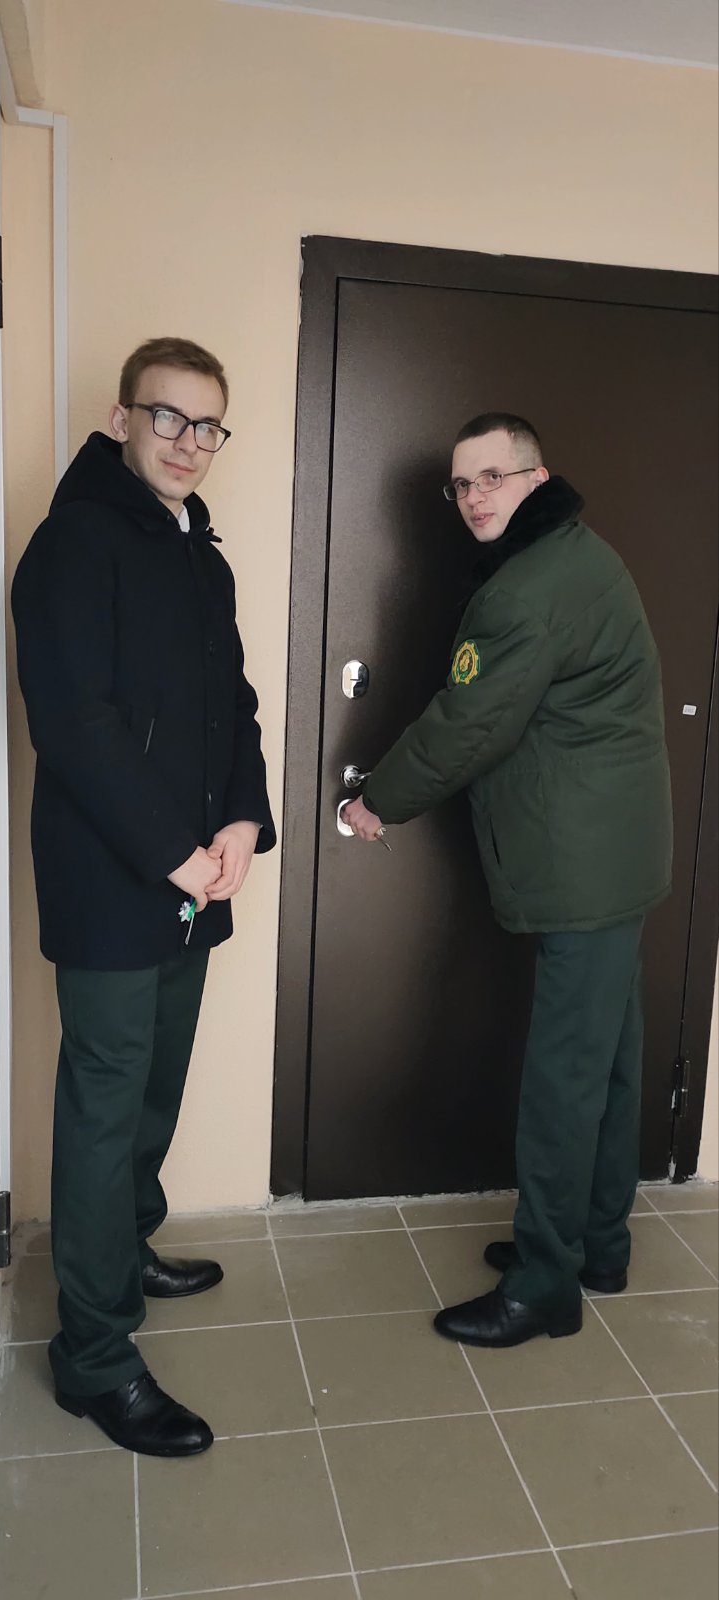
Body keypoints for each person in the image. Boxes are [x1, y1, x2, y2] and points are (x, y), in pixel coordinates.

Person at [343, 412, 672, 1350]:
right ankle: (595, 1247)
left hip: (584, 869)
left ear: (537, 477)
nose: (475, 496)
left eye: (494, 476)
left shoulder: (529, 588)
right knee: (606, 1062)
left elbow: (468, 722)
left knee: (564, 1081)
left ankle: (542, 1286)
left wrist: (376, 800)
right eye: (462, 483)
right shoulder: (572, 555)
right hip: (613, 859)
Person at [12, 336, 275, 1454]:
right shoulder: (74, 542)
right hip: (117, 882)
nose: (188, 442)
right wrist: (175, 851)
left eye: (207, 425)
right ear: (122, 418)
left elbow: (234, 704)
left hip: (193, 875)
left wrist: (242, 823)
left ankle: (127, 1243)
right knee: (106, 1105)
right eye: (168, 417)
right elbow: (74, 723)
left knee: (155, 1086)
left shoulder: (197, 553)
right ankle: (95, 1355)